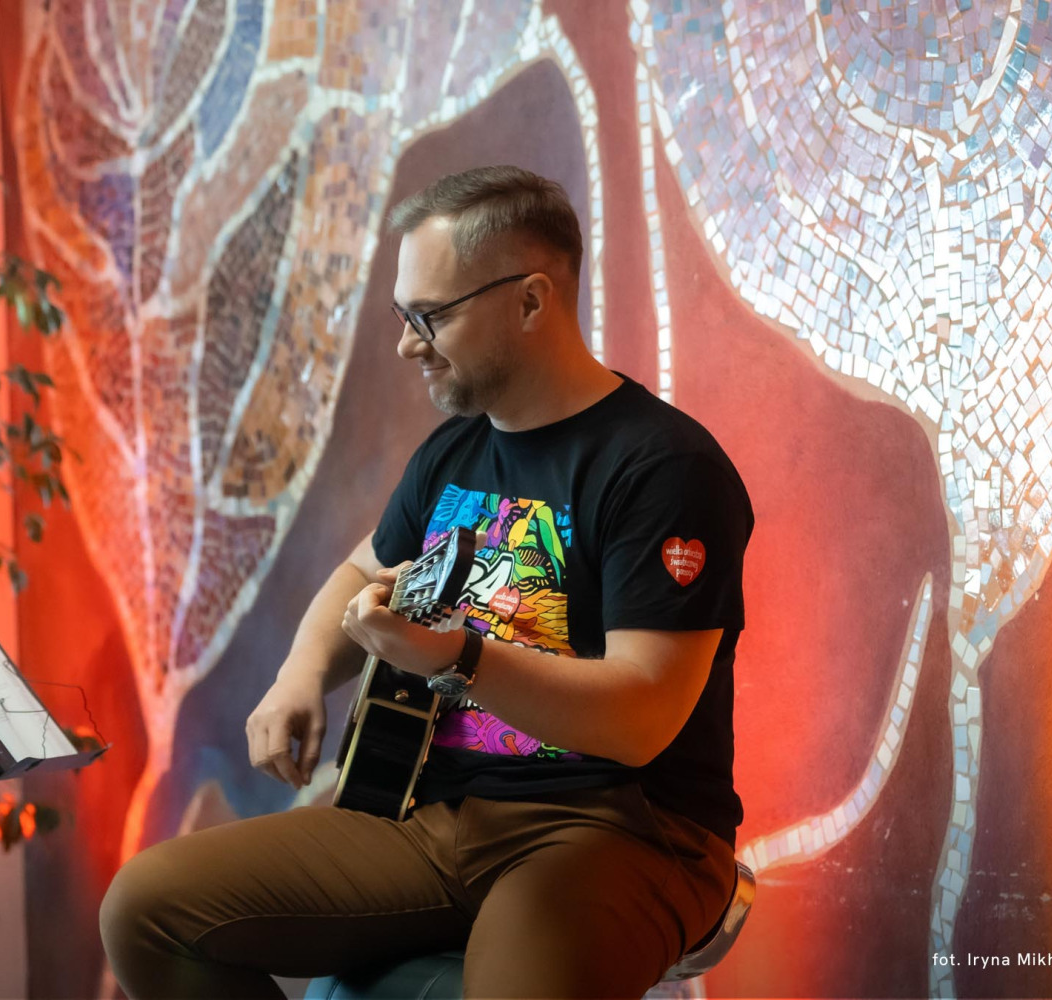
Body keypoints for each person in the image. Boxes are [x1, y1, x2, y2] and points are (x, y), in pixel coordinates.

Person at [99, 165, 753, 999]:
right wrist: (301, 674)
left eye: (430, 317)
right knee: (146, 910)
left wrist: (458, 657)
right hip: (431, 816)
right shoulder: (452, 453)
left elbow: (642, 719)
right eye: (403, 317)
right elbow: (360, 570)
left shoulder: (663, 469)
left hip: (621, 827)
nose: (407, 345)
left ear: (530, 301)